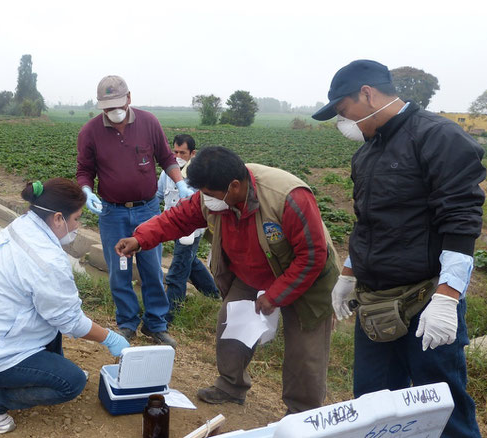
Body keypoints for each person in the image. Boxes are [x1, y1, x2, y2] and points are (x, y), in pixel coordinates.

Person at [312, 60, 484, 437]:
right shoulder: (367, 153)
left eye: (344, 112)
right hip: (375, 302)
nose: (345, 124)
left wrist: (446, 299)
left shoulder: (438, 137)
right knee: (373, 406)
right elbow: (369, 222)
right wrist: (348, 274)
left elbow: (461, 222)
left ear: (368, 94)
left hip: (424, 300)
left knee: (441, 406)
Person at [115, 146, 339, 413]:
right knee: (231, 327)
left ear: (234, 186)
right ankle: (231, 387)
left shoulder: (288, 197)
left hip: (306, 276)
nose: (204, 199)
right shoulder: (213, 196)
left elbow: (312, 256)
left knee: (305, 352)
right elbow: (176, 220)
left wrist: (275, 296)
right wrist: (140, 238)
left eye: (208, 194)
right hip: (252, 273)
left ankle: (302, 414)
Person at [0, 178, 130, 434]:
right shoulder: (46, 259)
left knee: (50, 319)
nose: (78, 225)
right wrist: (110, 338)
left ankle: (48, 370)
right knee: (71, 383)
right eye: (77, 219)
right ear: (58, 218)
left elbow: (57, 312)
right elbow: (70, 321)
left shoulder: (23, 225)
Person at [76, 75, 192, 348]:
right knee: (119, 270)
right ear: (100, 105)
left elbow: (166, 157)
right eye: (106, 107)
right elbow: (84, 170)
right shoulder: (90, 132)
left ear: (129, 98)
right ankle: (127, 323)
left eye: (117, 104)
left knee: (152, 268)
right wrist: (87, 192)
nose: (113, 111)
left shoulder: (149, 122)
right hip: (112, 212)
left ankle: (156, 324)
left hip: (147, 209)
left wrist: (180, 182)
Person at [156, 134, 219, 321]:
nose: (178, 156)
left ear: (193, 153)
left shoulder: (199, 175)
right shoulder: (166, 173)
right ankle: (213, 294)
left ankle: (171, 314)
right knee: (189, 261)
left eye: (182, 152)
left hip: (191, 230)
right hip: (172, 225)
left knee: (177, 270)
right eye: (174, 151)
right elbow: (158, 195)